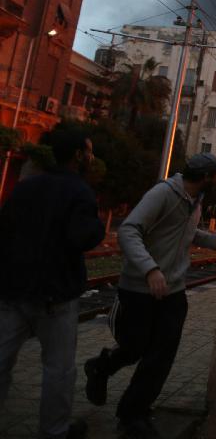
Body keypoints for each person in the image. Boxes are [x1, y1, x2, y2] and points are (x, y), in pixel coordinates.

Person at [83, 153, 216, 438]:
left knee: (161, 355)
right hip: (139, 288)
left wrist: (215, 240)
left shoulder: (194, 201)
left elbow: (185, 233)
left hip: (172, 291)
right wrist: (150, 269)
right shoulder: (163, 194)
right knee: (135, 347)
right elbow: (128, 230)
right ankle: (101, 367)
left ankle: (133, 412)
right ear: (204, 177)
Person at [0, 128, 104, 439]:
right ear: (77, 156)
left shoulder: (26, 187)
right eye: (88, 151)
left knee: (1, 361)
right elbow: (81, 237)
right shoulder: (79, 192)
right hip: (56, 297)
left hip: (13, 291)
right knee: (58, 370)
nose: (91, 157)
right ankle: (54, 430)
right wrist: (97, 227)